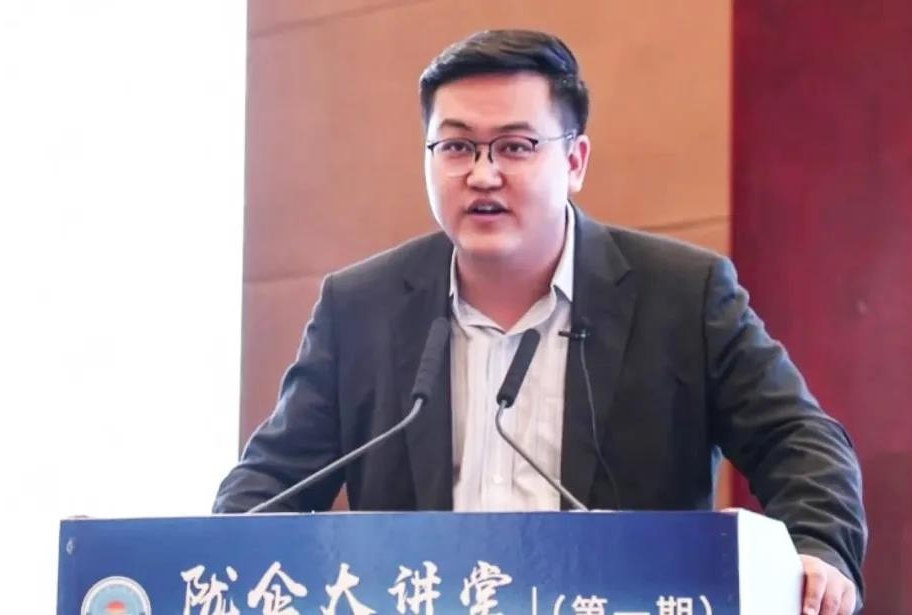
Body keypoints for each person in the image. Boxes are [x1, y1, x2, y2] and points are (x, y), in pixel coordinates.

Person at [213, 29, 866, 615]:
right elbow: (267, 485)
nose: (483, 174)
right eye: (456, 146)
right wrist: (221, 566)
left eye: (516, 146)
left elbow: (798, 439)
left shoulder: (682, 295)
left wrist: (818, 550)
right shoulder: (361, 308)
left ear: (575, 161)